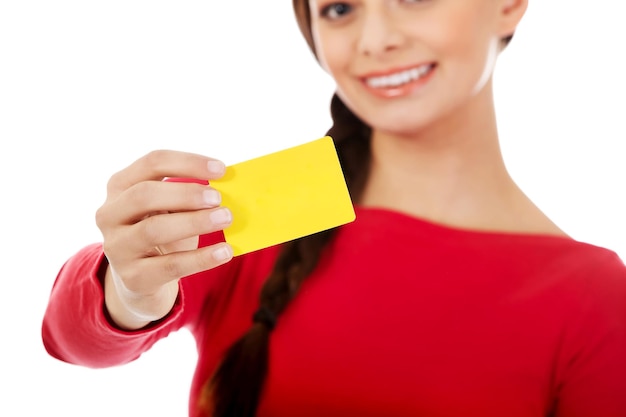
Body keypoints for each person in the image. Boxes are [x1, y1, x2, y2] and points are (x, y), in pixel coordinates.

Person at [42, 1, 626, 416]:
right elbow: (74, 339)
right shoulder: (259, 209)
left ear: (509, 4)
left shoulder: (592, 294)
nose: (375, 40)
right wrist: (128, 291)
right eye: (340, 9)